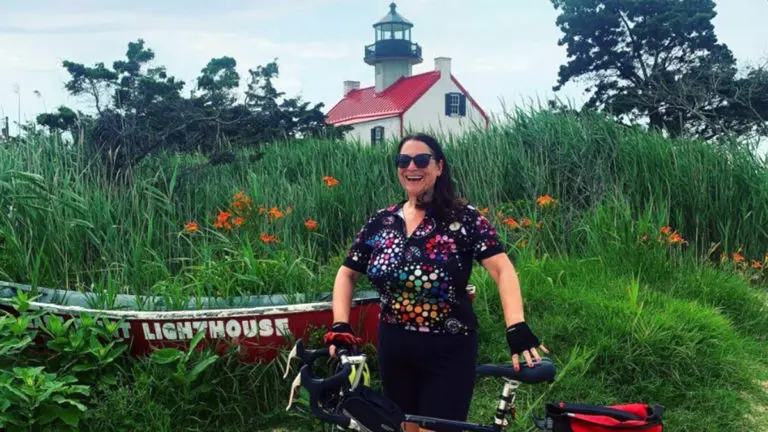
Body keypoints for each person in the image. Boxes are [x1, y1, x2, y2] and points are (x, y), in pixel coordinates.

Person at [325, 133, 548, 432]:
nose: (411, 166)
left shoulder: (464, 219)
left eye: (421, 159)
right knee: (402, 427)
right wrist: (341, 326)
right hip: (394, 346)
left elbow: (502, 270)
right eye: (403, 161)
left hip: (448, 348)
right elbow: (347, 273)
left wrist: (516, 325)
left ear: (439, 166)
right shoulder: (382, 221)